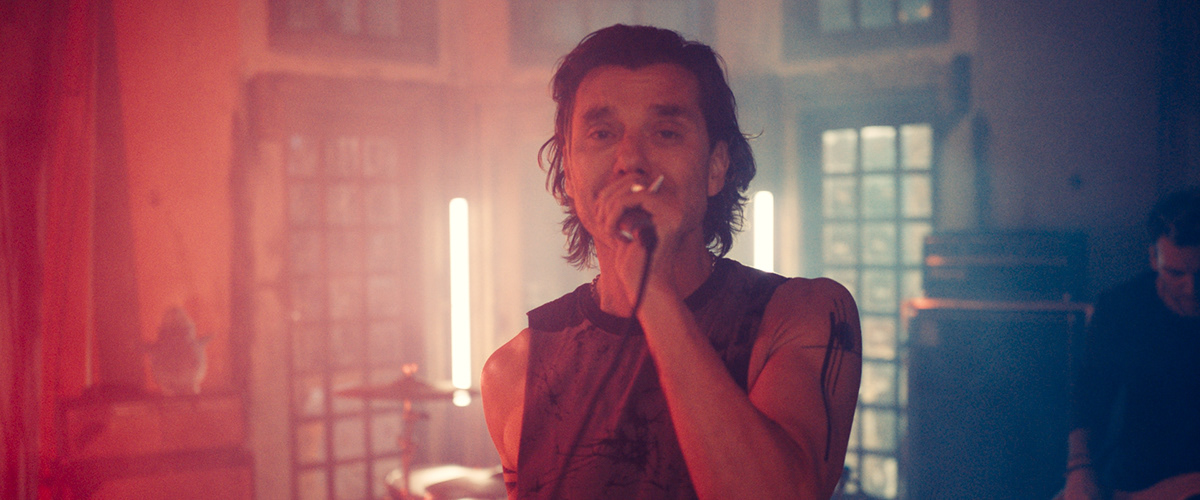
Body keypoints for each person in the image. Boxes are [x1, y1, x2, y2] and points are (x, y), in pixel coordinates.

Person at [481, 24, 862, 499]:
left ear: (716, 167)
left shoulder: (802, 314)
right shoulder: (514, 372)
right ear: (569, 175)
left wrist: (653, 292)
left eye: (665, 132)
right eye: (602, 133)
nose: (630, 160)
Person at [1063, 187, 1200, 499]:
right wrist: (1079, 468)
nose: (1191, 289)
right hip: (1138, 478)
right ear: (1153, 257)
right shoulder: (1121, 307)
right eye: (1175, 273)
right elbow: (1090, 396)